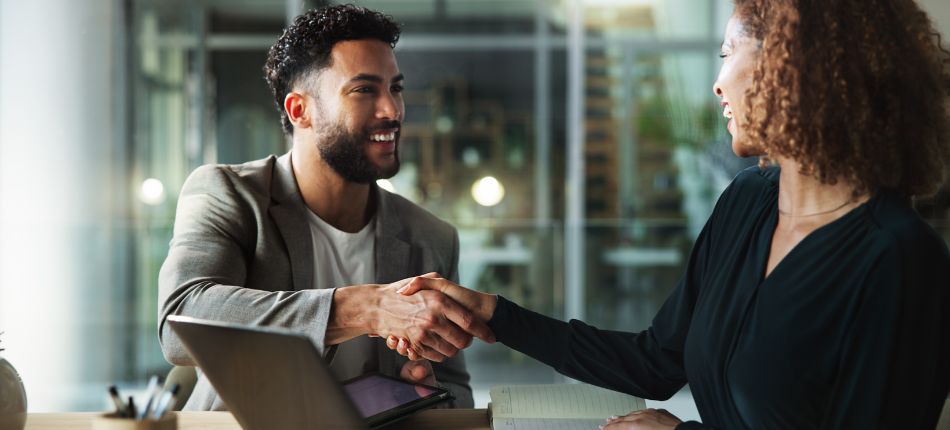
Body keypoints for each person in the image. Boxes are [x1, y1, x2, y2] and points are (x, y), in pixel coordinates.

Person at [390, 0, 950, 428]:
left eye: (729, 54)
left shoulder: (898, 259)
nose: (717, 82)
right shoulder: (747, 203)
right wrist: (495, 313)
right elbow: (656, 362)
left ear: (793, 67)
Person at [157, 5, 493, 411]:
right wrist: (367, 308)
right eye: (365, 89)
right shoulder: (228, 194)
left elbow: (457, 392)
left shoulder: (432, 237)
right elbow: (182, 320)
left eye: (396, 88)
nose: (392, 110)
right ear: (301, 110)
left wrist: (426, 394)